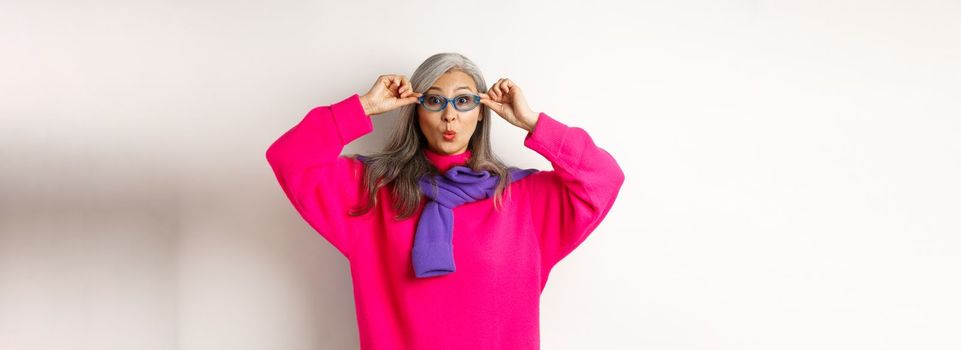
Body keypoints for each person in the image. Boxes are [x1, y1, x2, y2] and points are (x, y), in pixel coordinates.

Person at [265, 52, 625, 349]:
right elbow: (289, 157)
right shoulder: (372, 192)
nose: (450, 114)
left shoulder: (523, 199)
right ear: (415, 110)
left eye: (464, 101)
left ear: (482, 111)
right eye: (435, 100)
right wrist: (364, 107)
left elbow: (604, 179)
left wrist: (532, 122)